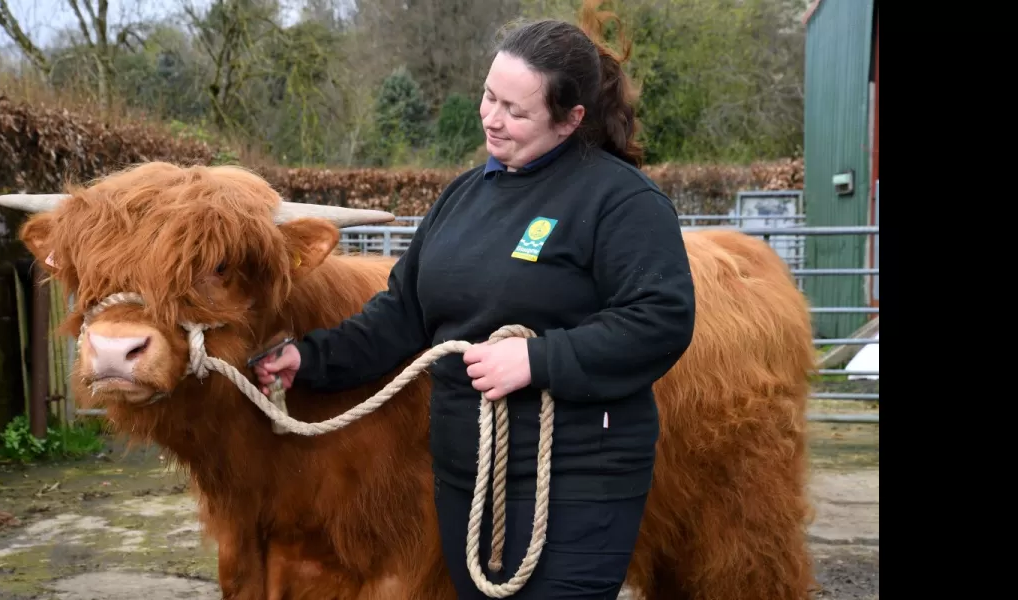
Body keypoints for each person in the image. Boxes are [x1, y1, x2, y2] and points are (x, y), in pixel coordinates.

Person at [253, 2, 696, 597]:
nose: (491, 118)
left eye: (515, 110)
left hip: (579, 479)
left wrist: (537, 361)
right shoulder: (463, 195)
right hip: (468, 476)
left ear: (570, 120)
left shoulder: (622, 202)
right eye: (489, 96)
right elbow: (404, 314)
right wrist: (310, 358)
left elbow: (660, 320)